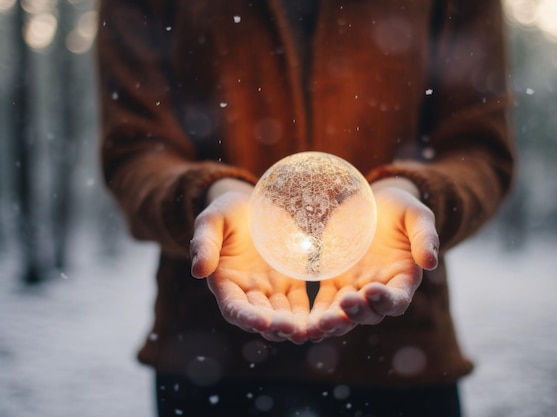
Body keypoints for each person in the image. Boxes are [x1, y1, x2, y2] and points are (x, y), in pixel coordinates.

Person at [96, 0, 516, 416]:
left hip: (401, 361)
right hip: (208, 362)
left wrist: (417, 192)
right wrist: (207, 193)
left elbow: (479, 150)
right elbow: (135, 150)